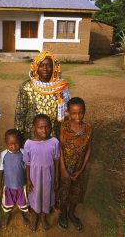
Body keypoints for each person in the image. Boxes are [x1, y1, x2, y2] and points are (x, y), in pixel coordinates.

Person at [15, 50, 70, 141]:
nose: (45, 68)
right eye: (42, 65)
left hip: (53, 134)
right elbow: (20, 112)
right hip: (32, 135)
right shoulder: (27, 86)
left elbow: (67, 113)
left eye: (49, 65)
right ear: (36, 67)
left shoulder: (61, 87)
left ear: (54, 68)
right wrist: (18, 134)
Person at [58, 97, 92, 232]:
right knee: (64, 192)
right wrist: (62, 168)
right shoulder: (64, 126)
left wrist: (81, 169)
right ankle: (64, 213)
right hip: (65, 168)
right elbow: (60, 147)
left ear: (84, 111)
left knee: (76, 193)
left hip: (78, 170)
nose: (77, 116)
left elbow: (88, 149)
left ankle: (71, 213)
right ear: (68, 112)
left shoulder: (89, 128)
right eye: (74, 113)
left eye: (81, 112)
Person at [23, 114, 60, 231]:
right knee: (35, 197)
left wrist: (57, 178)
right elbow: (27, 163)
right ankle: (35, 217)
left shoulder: (54, 142)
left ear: (51, 127)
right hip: (34, 178)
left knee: (46, 197)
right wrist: (28, 180)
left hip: (49, 178)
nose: (44, 130)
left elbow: (57, 161)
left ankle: (43, 217)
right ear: (34, 128)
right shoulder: (29, 143)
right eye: (40, 127)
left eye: (47, 127)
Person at [0, 129, 29, 227]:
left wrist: (28, 182)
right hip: (8, 186)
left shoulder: (24, 153)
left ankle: (22, 215)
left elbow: (27, 168)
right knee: (7, 203)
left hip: (21, 185)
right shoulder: (3, 155)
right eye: (10, 144)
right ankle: (7, 215)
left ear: (20, 142)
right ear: (6, 143)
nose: (14, 146)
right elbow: (0, 170)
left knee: (22, 202)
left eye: (16, 143)